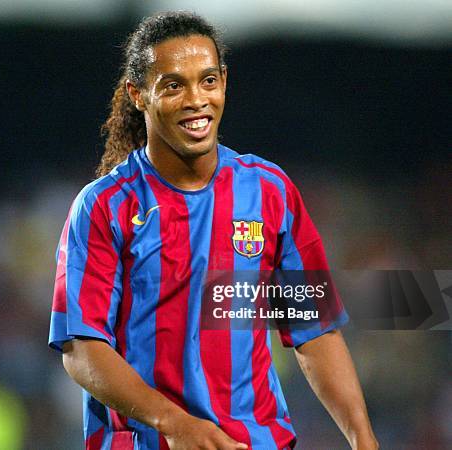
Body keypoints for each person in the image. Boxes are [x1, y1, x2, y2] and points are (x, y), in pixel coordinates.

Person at [49, 11, 378, 450]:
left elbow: (313, 329)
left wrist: (364, 440)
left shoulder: (269, 192)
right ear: (138, 95)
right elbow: (82, 349)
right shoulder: (104, 206)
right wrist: (173, 424)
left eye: (207, 80)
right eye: (173, 85)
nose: (195, 100)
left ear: (224, 81)